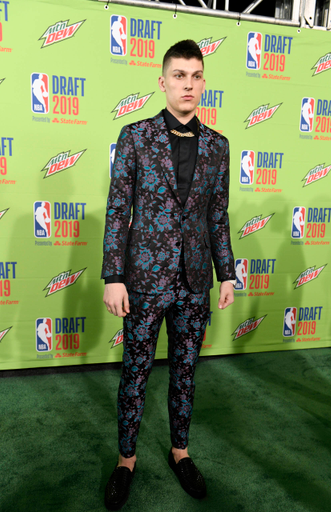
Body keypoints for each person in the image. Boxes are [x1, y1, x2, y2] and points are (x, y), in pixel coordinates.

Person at [101, 39, 235, 510]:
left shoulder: (219, 147)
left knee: (185, 373)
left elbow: (217, 217)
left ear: (203, 82)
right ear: (163, 82)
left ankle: (181, 452)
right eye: (179, 75)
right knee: (135, 373)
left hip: (195, 281)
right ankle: (126, 460)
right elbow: (119, 211)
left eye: (196, 76)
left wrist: (227, 275)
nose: (188, 84)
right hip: (141, 281)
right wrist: (113, 276)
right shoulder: (134, 136)